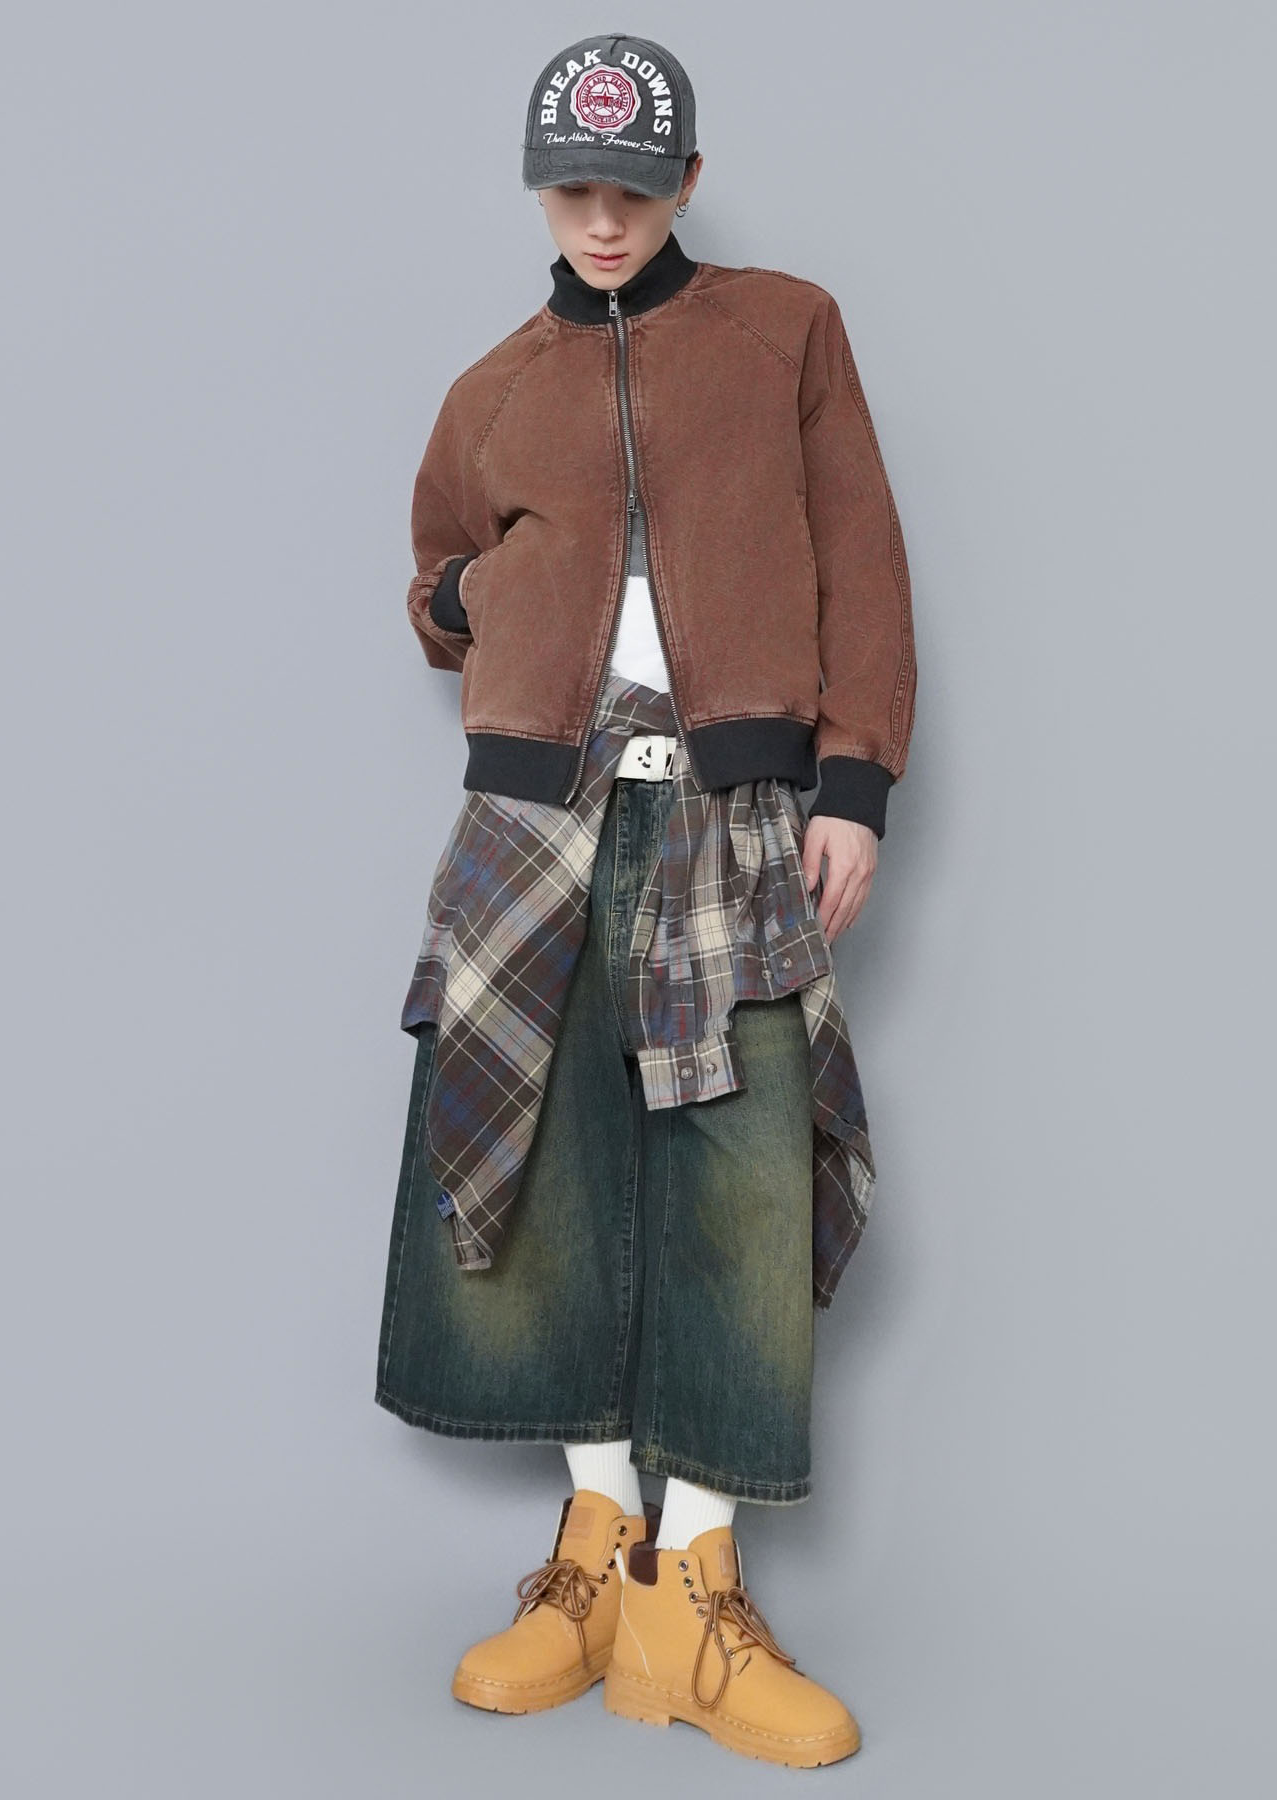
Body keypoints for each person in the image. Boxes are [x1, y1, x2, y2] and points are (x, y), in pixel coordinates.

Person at [374, 31, 916, 1770]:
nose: (600, 221)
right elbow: (433, 576)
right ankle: (596, 1563)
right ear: (539, 189)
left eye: (630, 187)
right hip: (536, 813)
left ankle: (699, 1594)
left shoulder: (784, 333)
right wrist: (479, 599)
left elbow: (865, 559)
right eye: (571, 191)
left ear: (687, 179)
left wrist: (853, 784)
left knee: (737, 1186)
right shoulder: (495, 384)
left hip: (727, 810)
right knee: (545, 1165)